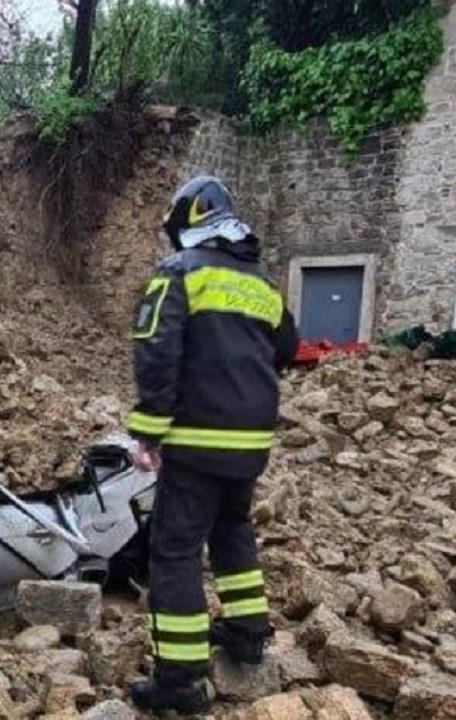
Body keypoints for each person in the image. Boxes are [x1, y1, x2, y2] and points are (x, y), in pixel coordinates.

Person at [125, 177, 299, 712]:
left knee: (174, 551)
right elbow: (288, 349)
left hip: (196, 439)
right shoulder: (263, 285)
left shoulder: (179, 272)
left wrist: (149, 429)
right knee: (232, 531)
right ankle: (247, 634)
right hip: (250, 442)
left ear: (189, 221)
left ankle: (180, 681)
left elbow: (156, 349)